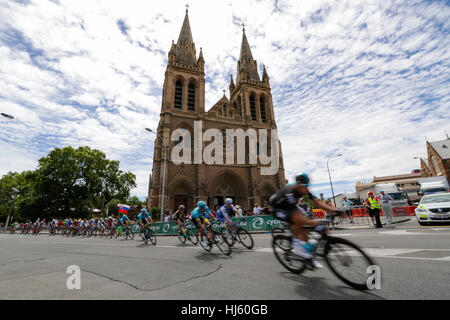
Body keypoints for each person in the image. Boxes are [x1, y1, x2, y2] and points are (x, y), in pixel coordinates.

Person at [269, 173, 346, 268]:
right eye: (303, 187)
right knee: (299, 220)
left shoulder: (303, 189)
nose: (305, 189)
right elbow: (295, 216)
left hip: (289, 206)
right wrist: (315, 224)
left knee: (306, 224)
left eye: (307, 186)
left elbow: (317, 203)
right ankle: (296, 245)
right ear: (298, 185)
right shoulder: (289, 190)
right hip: (277, 207)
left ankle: (308, 257)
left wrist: (334, 210)